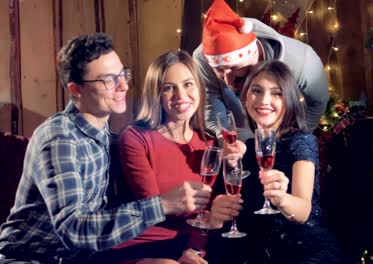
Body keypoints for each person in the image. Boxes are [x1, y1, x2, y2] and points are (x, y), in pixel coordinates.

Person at [0, 34, 211, 264]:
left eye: (122, 74)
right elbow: (75, 230)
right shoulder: (60, 139)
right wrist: (163, 204)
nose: (123, 85)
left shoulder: (108, 139)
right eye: (108, 80)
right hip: (34, 258)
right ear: (76, 89)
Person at [207, 60, 350, 263]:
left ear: (288, 100)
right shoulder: (244, 148)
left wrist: (282, 198)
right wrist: (218, 209)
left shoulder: (301, 142)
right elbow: (229, 213)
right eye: (256, 91)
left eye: (277, 93)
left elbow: (303, 211)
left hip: (302, 252)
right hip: (258, 253)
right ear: (245, 97)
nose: (264, 100)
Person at [109, 50, 244, 264]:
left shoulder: (208, 142)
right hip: (141, 247)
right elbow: (154, 209)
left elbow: (204, 218)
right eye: (169, 88)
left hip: (188, 247)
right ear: (156, 94)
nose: (181, 96)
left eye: (188, 84)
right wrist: (208, 218)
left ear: (199, 87)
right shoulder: (135, 138)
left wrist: (195, 250)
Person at [193, 0, 329, 142]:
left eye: (234, 68)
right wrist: (231, 143)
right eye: (220, 71)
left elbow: (317, 103)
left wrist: (295, 139)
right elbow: (213, 108)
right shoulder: (202, 58)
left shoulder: (303, 61)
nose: (228, 82)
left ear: (254, 54)